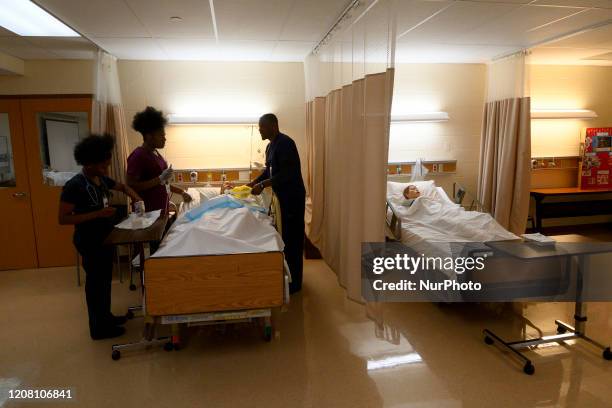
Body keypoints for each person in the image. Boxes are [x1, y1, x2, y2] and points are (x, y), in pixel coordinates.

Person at [59, 134, 143, 340]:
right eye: (102, 166)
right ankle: (98, 328)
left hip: (105, 238)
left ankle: (106, 317)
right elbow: (63, 219)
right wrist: (97, 214)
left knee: (104, 282)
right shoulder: (74, 186)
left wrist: (135, 197)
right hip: (89, 241)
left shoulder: (100, 179)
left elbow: (122, 187)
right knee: (96, 285)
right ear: (88, 163)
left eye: (106, 165)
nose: (106, 170)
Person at [249, 113, 306, 293]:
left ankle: (295, 284)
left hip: (293, 199)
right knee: (285, 239)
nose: (260, 130)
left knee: (293, 239)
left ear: (273, 126)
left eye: (262, 127)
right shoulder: (270, 147)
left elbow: (287, 174)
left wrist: (262, 185)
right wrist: (253, 182)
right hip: (282, 198)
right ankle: (288, 275)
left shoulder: (286, 144)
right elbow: (269, 172)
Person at [126, 106, 192, 215]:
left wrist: (181, 192)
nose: (164, 138)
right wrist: (160, 178)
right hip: (147, 213)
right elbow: (131, 186)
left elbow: (162, 184)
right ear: (149, 136)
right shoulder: (138, 155)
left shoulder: (156, 154)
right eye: (161, 135)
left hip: (161, 210)